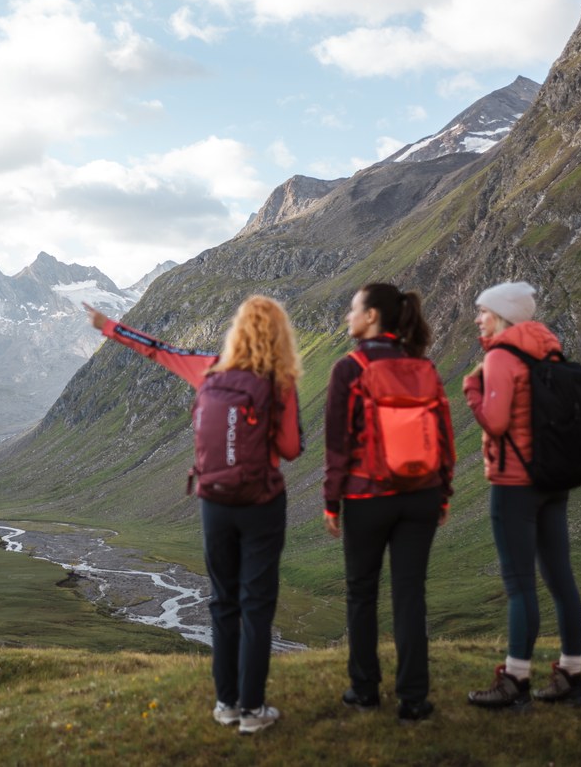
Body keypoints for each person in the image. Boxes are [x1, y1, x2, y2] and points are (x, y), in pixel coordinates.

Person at [85, 296, 303, 735]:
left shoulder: (208, 368)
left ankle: (225, 704)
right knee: (255, 607)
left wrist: (108, 326)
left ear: (236, 331)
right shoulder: (279, 381)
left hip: (215, 503)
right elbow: (292, 449)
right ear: (280, 336)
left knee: (222, 604)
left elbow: (157, 348)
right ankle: (253, 711)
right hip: (261, 505)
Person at [323, 283, 453, 723]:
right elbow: (443, 436)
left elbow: (337, 444)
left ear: (372, 316)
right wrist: (444, 491)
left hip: (367, 496)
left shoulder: (350, 368)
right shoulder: (423, 366)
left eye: (353, 308)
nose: (348, 316)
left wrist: (330, 501)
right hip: (421, 495)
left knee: (362, 594)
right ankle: (414, 698)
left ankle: (364, 689)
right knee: (410, 594)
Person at [463, 281, 581, 709]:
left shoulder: (501, 355)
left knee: (520, 587)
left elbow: (495, 422)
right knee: (561, 580)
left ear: (501, 316)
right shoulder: (550, 350)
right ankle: (571, 674)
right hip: (553, 479)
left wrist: (472, 392)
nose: (477, 319)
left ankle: (515, 680)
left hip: (514, 485)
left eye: (482, 311)